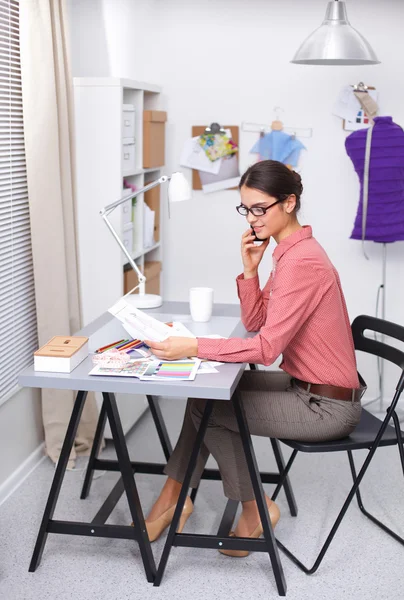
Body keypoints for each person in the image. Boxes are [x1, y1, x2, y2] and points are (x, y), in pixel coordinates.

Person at [144, 159, 364, 557]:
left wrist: (193, 346)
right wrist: (250, 271)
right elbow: (258, 322)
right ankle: (174, 499)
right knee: (205, 397)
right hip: (307, 386)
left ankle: (253, 508)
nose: (252, 218)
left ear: (290, 203)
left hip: (326, 406)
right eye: (246, 209)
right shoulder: (290, 253)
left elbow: (264, 349)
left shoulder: (302, 262)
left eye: (260, 208)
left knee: (209, 409)